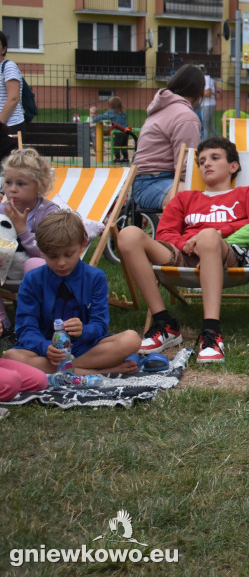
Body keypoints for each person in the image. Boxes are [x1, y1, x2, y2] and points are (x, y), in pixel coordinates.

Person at [118, 138, 249, 364]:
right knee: (128, 235)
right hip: (183, 254)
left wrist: (215, 233)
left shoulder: (247, 193)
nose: (206, 164)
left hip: (225, 254)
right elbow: (165, 233)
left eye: (215, 158)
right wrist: (186, 244)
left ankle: (211, 332)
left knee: (208, 236)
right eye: (201, 161)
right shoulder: (185, 198)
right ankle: (164, 323)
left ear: (233, 166)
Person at [2, 211, 142, 377]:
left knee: (132, 339)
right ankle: (98, 369)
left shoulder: (95, 277)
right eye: (53, 257)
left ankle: (69, 368)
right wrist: (45, 347)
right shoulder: (32, 280)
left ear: (82, 245)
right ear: (41, 252)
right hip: (47, 350)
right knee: (10, 357)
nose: (61, 263)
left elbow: (99, 325)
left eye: (68, 255)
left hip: (85, 347)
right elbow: (26, 329)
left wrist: (84, 330)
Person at [0, 148, 61, 340]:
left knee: (34, 264)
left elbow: (49, 253)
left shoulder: (48, 212)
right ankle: (3, 324)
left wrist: (22, 229)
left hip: (39, 270)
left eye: (20, 183)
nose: (12, 189)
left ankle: (30, 324)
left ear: (39, 186)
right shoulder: (3, 208)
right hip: (4, 266)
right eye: (8, 182)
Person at [131, 64, 204, 210]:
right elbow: (186, 166)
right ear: (198, 92)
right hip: (155, 183)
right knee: (210, 195)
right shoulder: (186, 117)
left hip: (142, 182)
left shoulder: (161, 109)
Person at [0, 31, 26, 164]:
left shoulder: (8, 66)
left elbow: (13, 98)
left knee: (9, 171)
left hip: (9, 127)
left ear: (3, 49)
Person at [91, 97, 133, 163]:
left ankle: (117, 158)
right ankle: (125, 158)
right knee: (124, 145)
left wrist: (93, 120)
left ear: (112, 105)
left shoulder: (111, 112)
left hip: (118, 131)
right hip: (125, 131)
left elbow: (102, 116)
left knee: (116, 145)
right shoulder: (123, 112)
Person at [199, 64, 218, 141]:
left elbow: (208, 93)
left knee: (204, 124)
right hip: (208, 104)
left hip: (208, 104)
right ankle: (216, 139)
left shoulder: (206, 79)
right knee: (209, 124)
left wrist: (197, 92)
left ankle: (204, 142)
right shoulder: (208, 79)